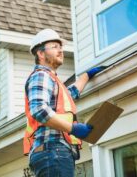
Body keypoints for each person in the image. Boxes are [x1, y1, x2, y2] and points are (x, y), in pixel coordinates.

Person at [23, 29, 107, 177]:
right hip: (52, 150)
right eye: (55, 47)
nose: (61, 51)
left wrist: (86, 76)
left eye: (61, 47)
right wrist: (73, 128)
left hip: (54, 152)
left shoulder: (52, 80)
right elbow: (39, 110)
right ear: (40, 54)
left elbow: (70, 94)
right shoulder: (41, 75)